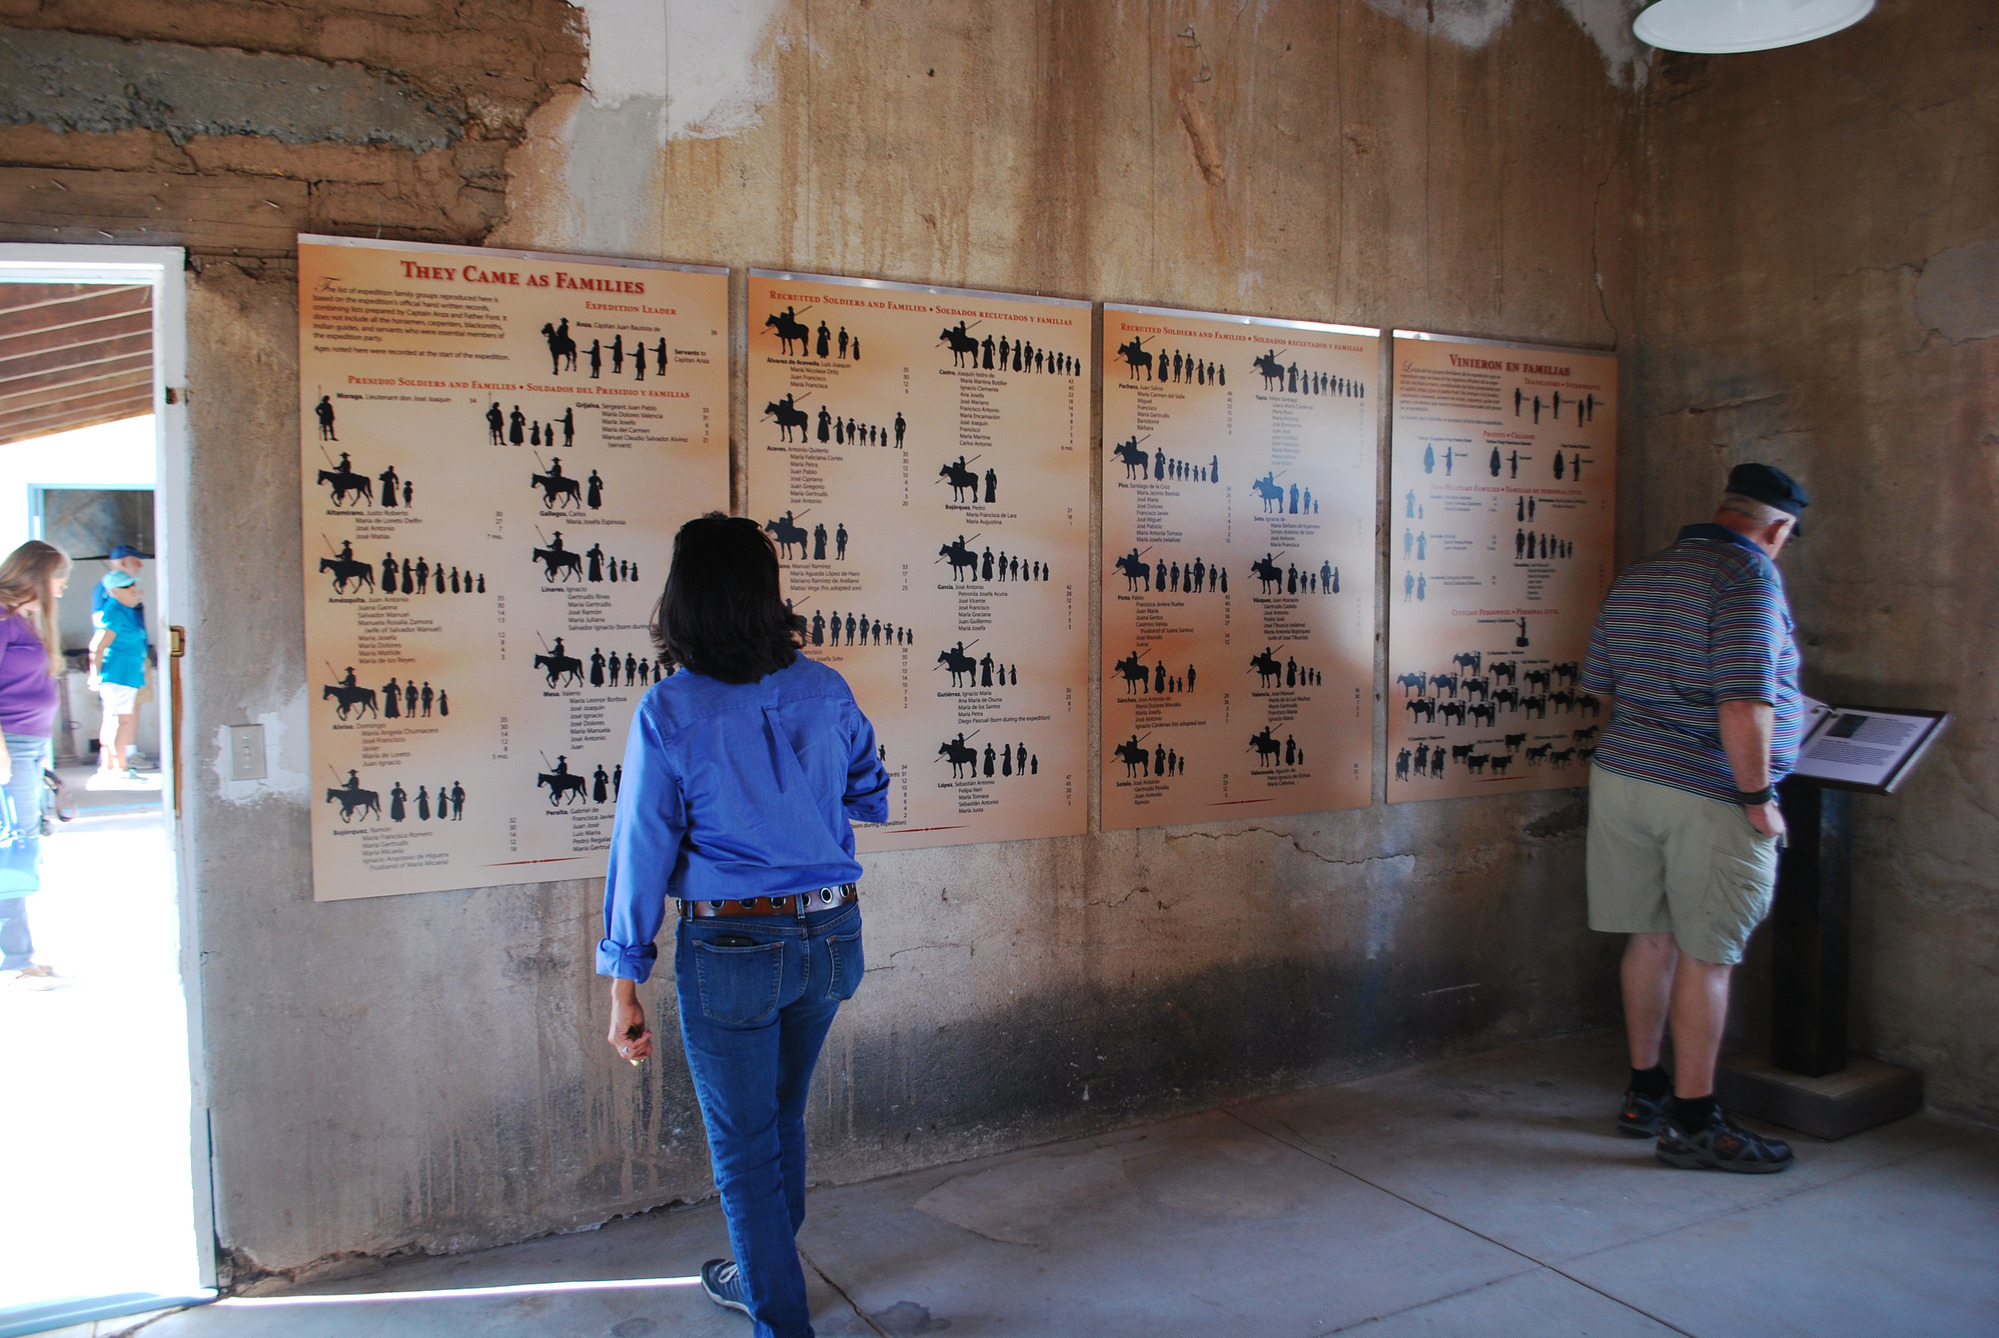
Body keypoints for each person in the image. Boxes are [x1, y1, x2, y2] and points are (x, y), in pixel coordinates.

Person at [600, 514, 888, 1338]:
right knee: (779, 1122)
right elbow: (869, 789)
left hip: (732, 949)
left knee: (743, 1150)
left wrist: (624, 982)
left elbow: (642, 850)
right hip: (831, 937)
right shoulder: (825, 689)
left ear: (682, 599)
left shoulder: (669, 709)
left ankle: (779, 1318)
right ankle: (761, 1274)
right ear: (767, 594)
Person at [1581, 463, 1810, 1174]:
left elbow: (1602, 686)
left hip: (1623, 779)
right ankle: (1693, 1123)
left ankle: (1643, 1091)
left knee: (1650, 940)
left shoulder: (1642, 574)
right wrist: (1757, 797)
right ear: (1777, 528)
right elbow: (1743, 700)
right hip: (1707, 791)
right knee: (1707, 955)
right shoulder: (1748, 578)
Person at [0, 542, 71, 989]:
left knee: (18, 847)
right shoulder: (2, 618)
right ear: (37, 574)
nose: (62, 585)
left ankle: (18, 955)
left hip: (26, 748)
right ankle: (15, 961)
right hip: (10, 748)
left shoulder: (21, 618)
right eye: (58, 576)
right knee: (12, 848)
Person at [90, 569, 148, 780]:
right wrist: (94, 674)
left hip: (125, 674)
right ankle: (119, 769)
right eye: (126, 586)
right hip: (118, 675)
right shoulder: (114, 612)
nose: (132, 589)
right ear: (113, 591)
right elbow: (97, 645)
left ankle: (109, 767)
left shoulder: (125, 610)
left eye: (132, 584)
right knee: (121, 721)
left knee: (113, 720)